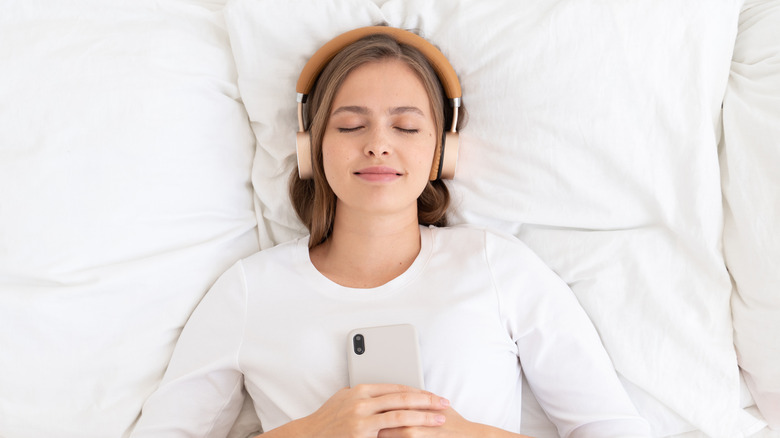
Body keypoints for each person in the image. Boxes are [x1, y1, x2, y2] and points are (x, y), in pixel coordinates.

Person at [131, 26, 652, 438]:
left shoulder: (497, 265)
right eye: (350, 125)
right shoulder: (249, 291)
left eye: (405, 127)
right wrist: (309, 434)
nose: (379, 144)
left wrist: (470, 436)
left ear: (440, 153)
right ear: (311, 149)